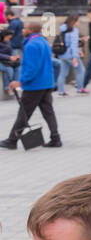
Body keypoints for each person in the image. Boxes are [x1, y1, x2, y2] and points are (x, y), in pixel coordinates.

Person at [1, 18, 60, 149]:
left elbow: (32, 68)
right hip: (46, 83)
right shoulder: (43, 42)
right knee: (48, 112)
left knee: (24, 112)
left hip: (35, 85)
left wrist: (20, 82)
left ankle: (12, 140)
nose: (22, 30)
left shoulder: (31, 45)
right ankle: (55, 138)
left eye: (25, 28)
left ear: (31, 30)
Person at [55, 14, 81, 96]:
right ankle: (80, 88)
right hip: (70, 55)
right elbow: (73, 45)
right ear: (74, 21)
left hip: (62, 54)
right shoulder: (73, 30)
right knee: (81, 70)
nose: (79, 22)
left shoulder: (63, 28)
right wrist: (75, 56)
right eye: (78, 21)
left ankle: (60, 91)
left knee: (62, 73)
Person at [0, 26, 20, 98]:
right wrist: (9, 57)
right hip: (2, 61)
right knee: (8, 69)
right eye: (8, 37)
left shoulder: (8, 42)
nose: (9, 39)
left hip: (6, 61)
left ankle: (15, 85)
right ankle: (7, 87)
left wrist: (14, 57)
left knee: (17, 68)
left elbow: (10, 52)